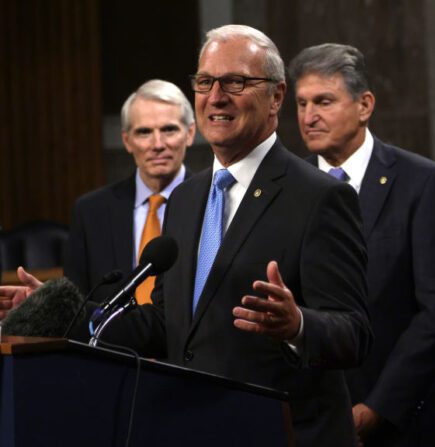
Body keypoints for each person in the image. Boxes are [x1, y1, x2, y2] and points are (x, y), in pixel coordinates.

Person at [1, 25, 372, 447]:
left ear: (276, 96)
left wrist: (297, 325)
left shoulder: (320, 197)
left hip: (284, 433)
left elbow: (355, 333)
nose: (216, 96)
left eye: (236, 82)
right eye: (205, 82)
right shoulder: (186, 197)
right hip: (195, 428)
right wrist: (54, 315)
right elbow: (165, 320)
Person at [289, 43, 435, 446]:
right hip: (313, 420)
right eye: (301, 104)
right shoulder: (288, 188)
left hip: (403, 420)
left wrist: (379, 408)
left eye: (323, 102)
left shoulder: (422, 182)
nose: (309, 117)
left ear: (364, 105)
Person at [64, 79, 195, 302]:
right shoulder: (90, 211)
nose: (157, 144)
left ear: (190, 133)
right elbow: (75, 306)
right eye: (144, 132)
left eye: (169, 130)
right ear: (127, 140)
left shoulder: (214, 201)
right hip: (109, 336)